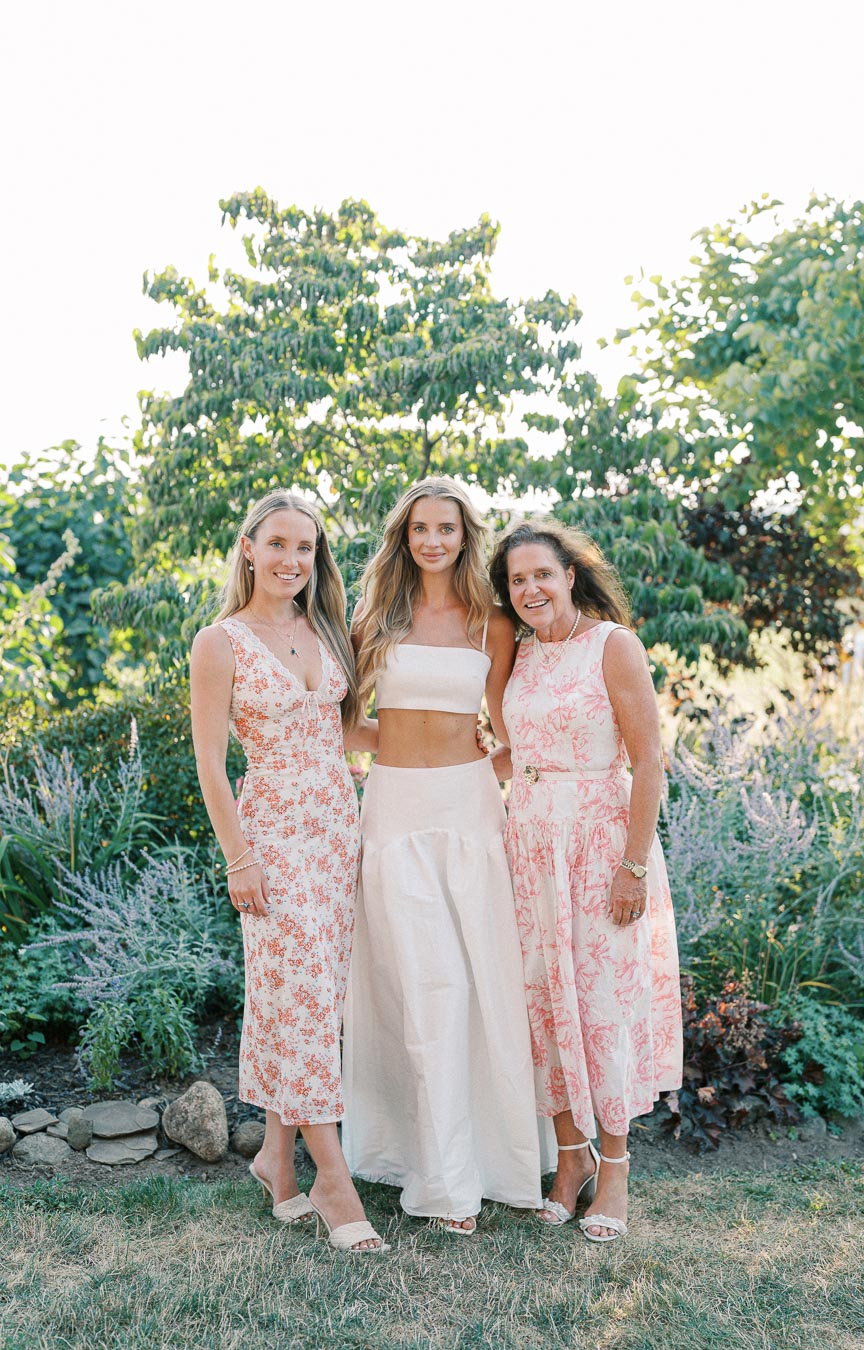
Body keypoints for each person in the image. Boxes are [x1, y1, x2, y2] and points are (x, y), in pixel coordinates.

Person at [341, 477, 546, 1233]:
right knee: (425, 988)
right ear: (404, 537)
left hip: (470, 811)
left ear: (466, 537)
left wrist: (479, 766)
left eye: (447, 529)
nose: (433, 540)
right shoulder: (373, 618)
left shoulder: (492, 622)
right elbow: (342, 721)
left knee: (480, 983)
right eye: (420, 528)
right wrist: (394, 745)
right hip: (394, 809)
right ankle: (440, 1180)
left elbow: (510, 727)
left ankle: (493, 1164)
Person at [190, 490, 388, 1254]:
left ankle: (276, 1159)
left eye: (305, 547)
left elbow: (348, 733)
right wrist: (239, 857)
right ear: (248, 548)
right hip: (271, 836)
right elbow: (210, 764)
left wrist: (447, 745)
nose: (291, 560)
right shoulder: (221, 642)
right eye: (277, 544)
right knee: (299, 996)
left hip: (338, 832)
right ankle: (332, 1179)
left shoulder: (327, 629)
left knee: (309, 1000)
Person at [488, 517, 682, 1245]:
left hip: (601, 847)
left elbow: (648, 760)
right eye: (517, 580)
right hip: (530, 847)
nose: (531, 589)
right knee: (544, 1005)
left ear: (570, 575)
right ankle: (570, 1160)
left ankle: (617, 1169)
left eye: (542, 573)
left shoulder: (613, 645)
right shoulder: (520, 654)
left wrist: (633, 865)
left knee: (603, 1008)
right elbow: (514, 753)